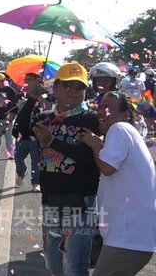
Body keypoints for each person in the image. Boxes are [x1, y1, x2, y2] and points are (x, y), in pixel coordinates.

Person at [31, 63, 101, 276]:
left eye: (78, 86)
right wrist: (33, 96)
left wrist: (51, 141)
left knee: (74, 265)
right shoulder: (45, 118)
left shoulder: (90, 118)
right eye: (67, 85)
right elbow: (21, 129)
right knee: (52, 261)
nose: (73, 90)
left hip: (80, 201)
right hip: (51, 200)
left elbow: (88, 158)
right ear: (56, 88)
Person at [77, 91, 156, 276]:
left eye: (108, 108)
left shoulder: (120, 128)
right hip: (130, 237)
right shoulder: (127, 134)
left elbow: (107, 168)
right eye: (100, 107)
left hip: (127, 239)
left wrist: (95, 144)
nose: (101, 112)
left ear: (125, 114)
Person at [12, 72, 51, 192]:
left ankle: (36, 182)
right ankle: (22, 172)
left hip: (36, 136)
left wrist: (39, 95)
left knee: (36, 162)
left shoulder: (42, 96)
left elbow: (48, 107)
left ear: (37, 81)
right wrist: (6, 124)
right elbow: (14, 112)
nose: (27, 82)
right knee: (18, 157)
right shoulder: (21, 96)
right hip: (20, 134)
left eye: (30, 80)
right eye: (26, 80)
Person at [0, 72, 18, 159]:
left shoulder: (10, 91)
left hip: (8, 117)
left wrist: (10, 116)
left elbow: (14, 104)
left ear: (2, 81)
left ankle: (11, 153)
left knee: (9, 137)